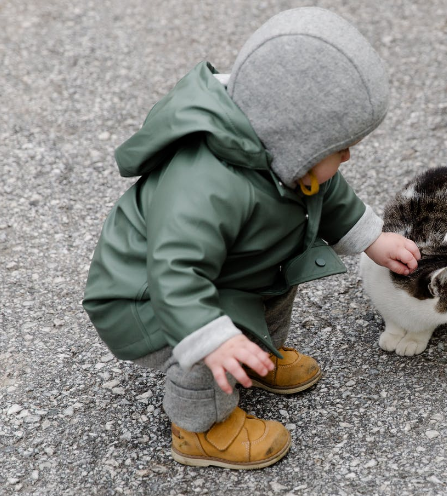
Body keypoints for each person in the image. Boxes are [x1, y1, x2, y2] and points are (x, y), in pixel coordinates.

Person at [82, 7, 420, 470]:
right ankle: (200, 429)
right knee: (211, 343)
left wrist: (371, 238)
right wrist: (213, 339)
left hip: (232, 271)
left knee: (278, 284)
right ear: (294, 138)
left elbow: (329, 192)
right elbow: (174, 272)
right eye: (338, 147)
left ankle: (258, 356)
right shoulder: (205, 185)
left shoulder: (286, 157)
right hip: (148, 298)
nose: (345, 155)